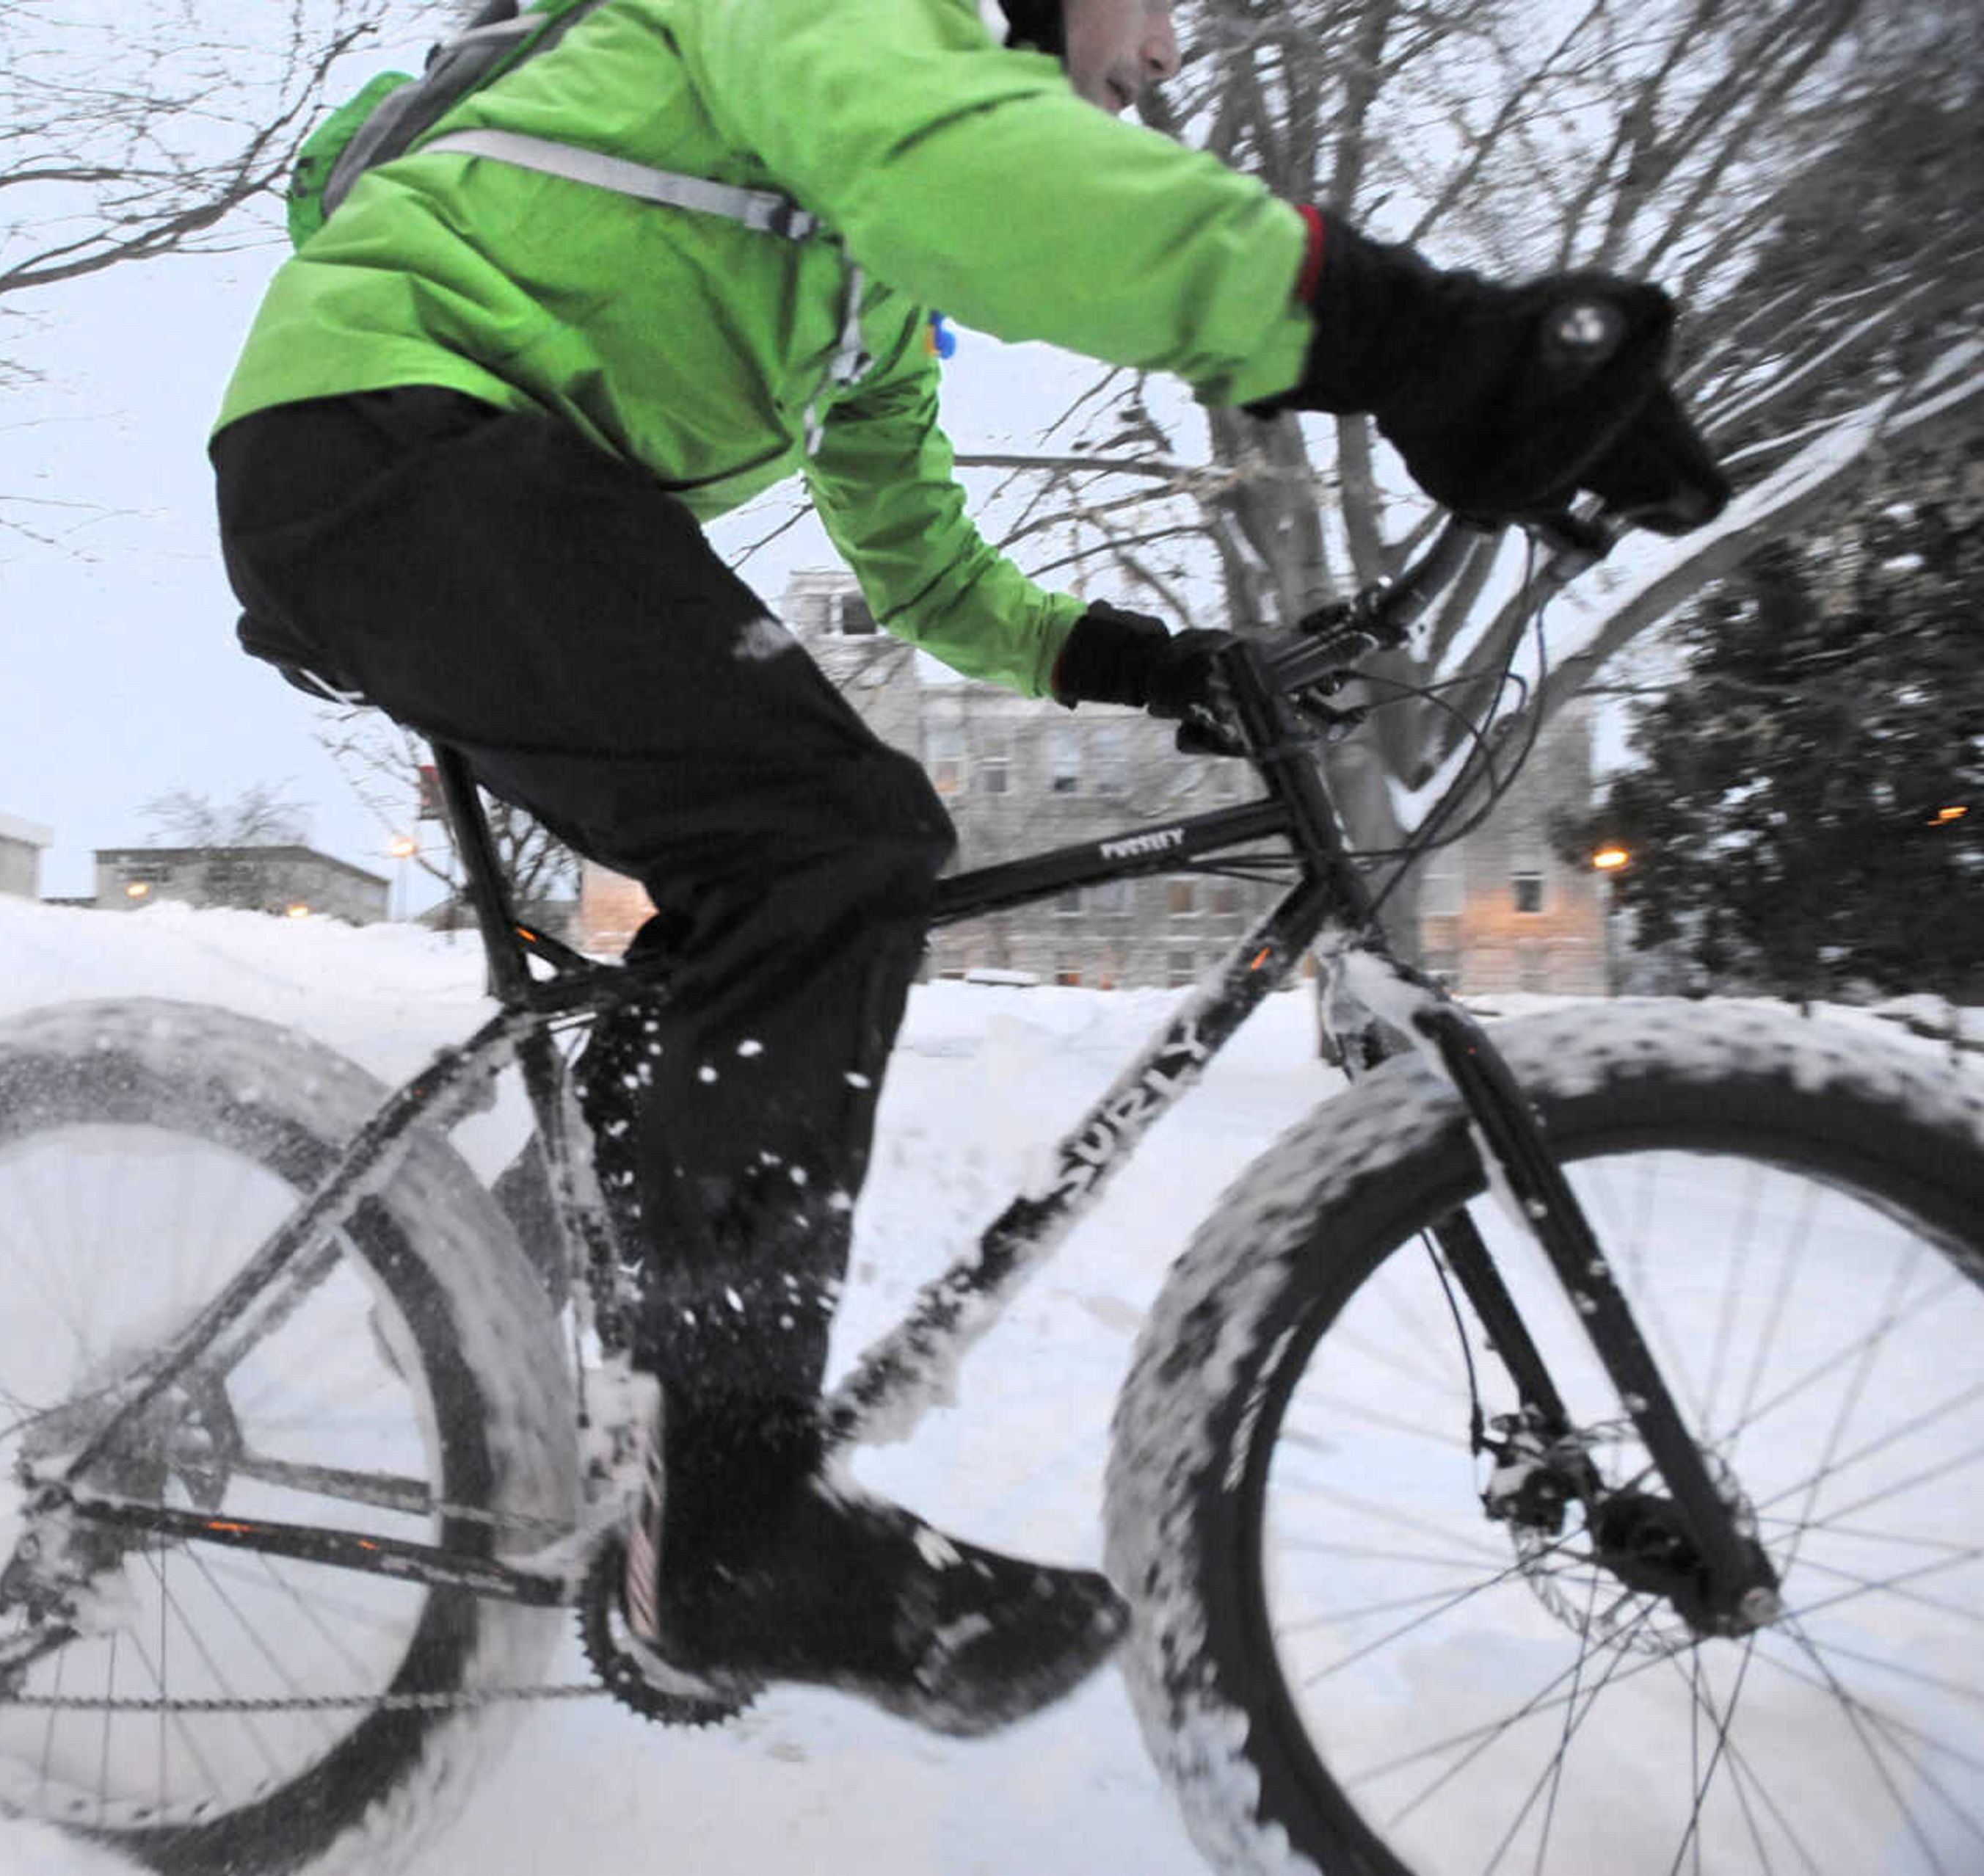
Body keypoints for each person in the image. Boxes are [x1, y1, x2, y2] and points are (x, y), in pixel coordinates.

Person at [208, 0, 1727, 1737]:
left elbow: (926, 563)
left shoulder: (860, 289)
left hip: (469, 476)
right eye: (1161, 4)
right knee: (830, 843)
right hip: (389, 442)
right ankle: (730, 1521)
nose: (1168, 53)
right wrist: (1431, 340)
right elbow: (985, 176)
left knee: (761, 899)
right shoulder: (840, 30)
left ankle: (630, 1414)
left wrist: (1160, 666)